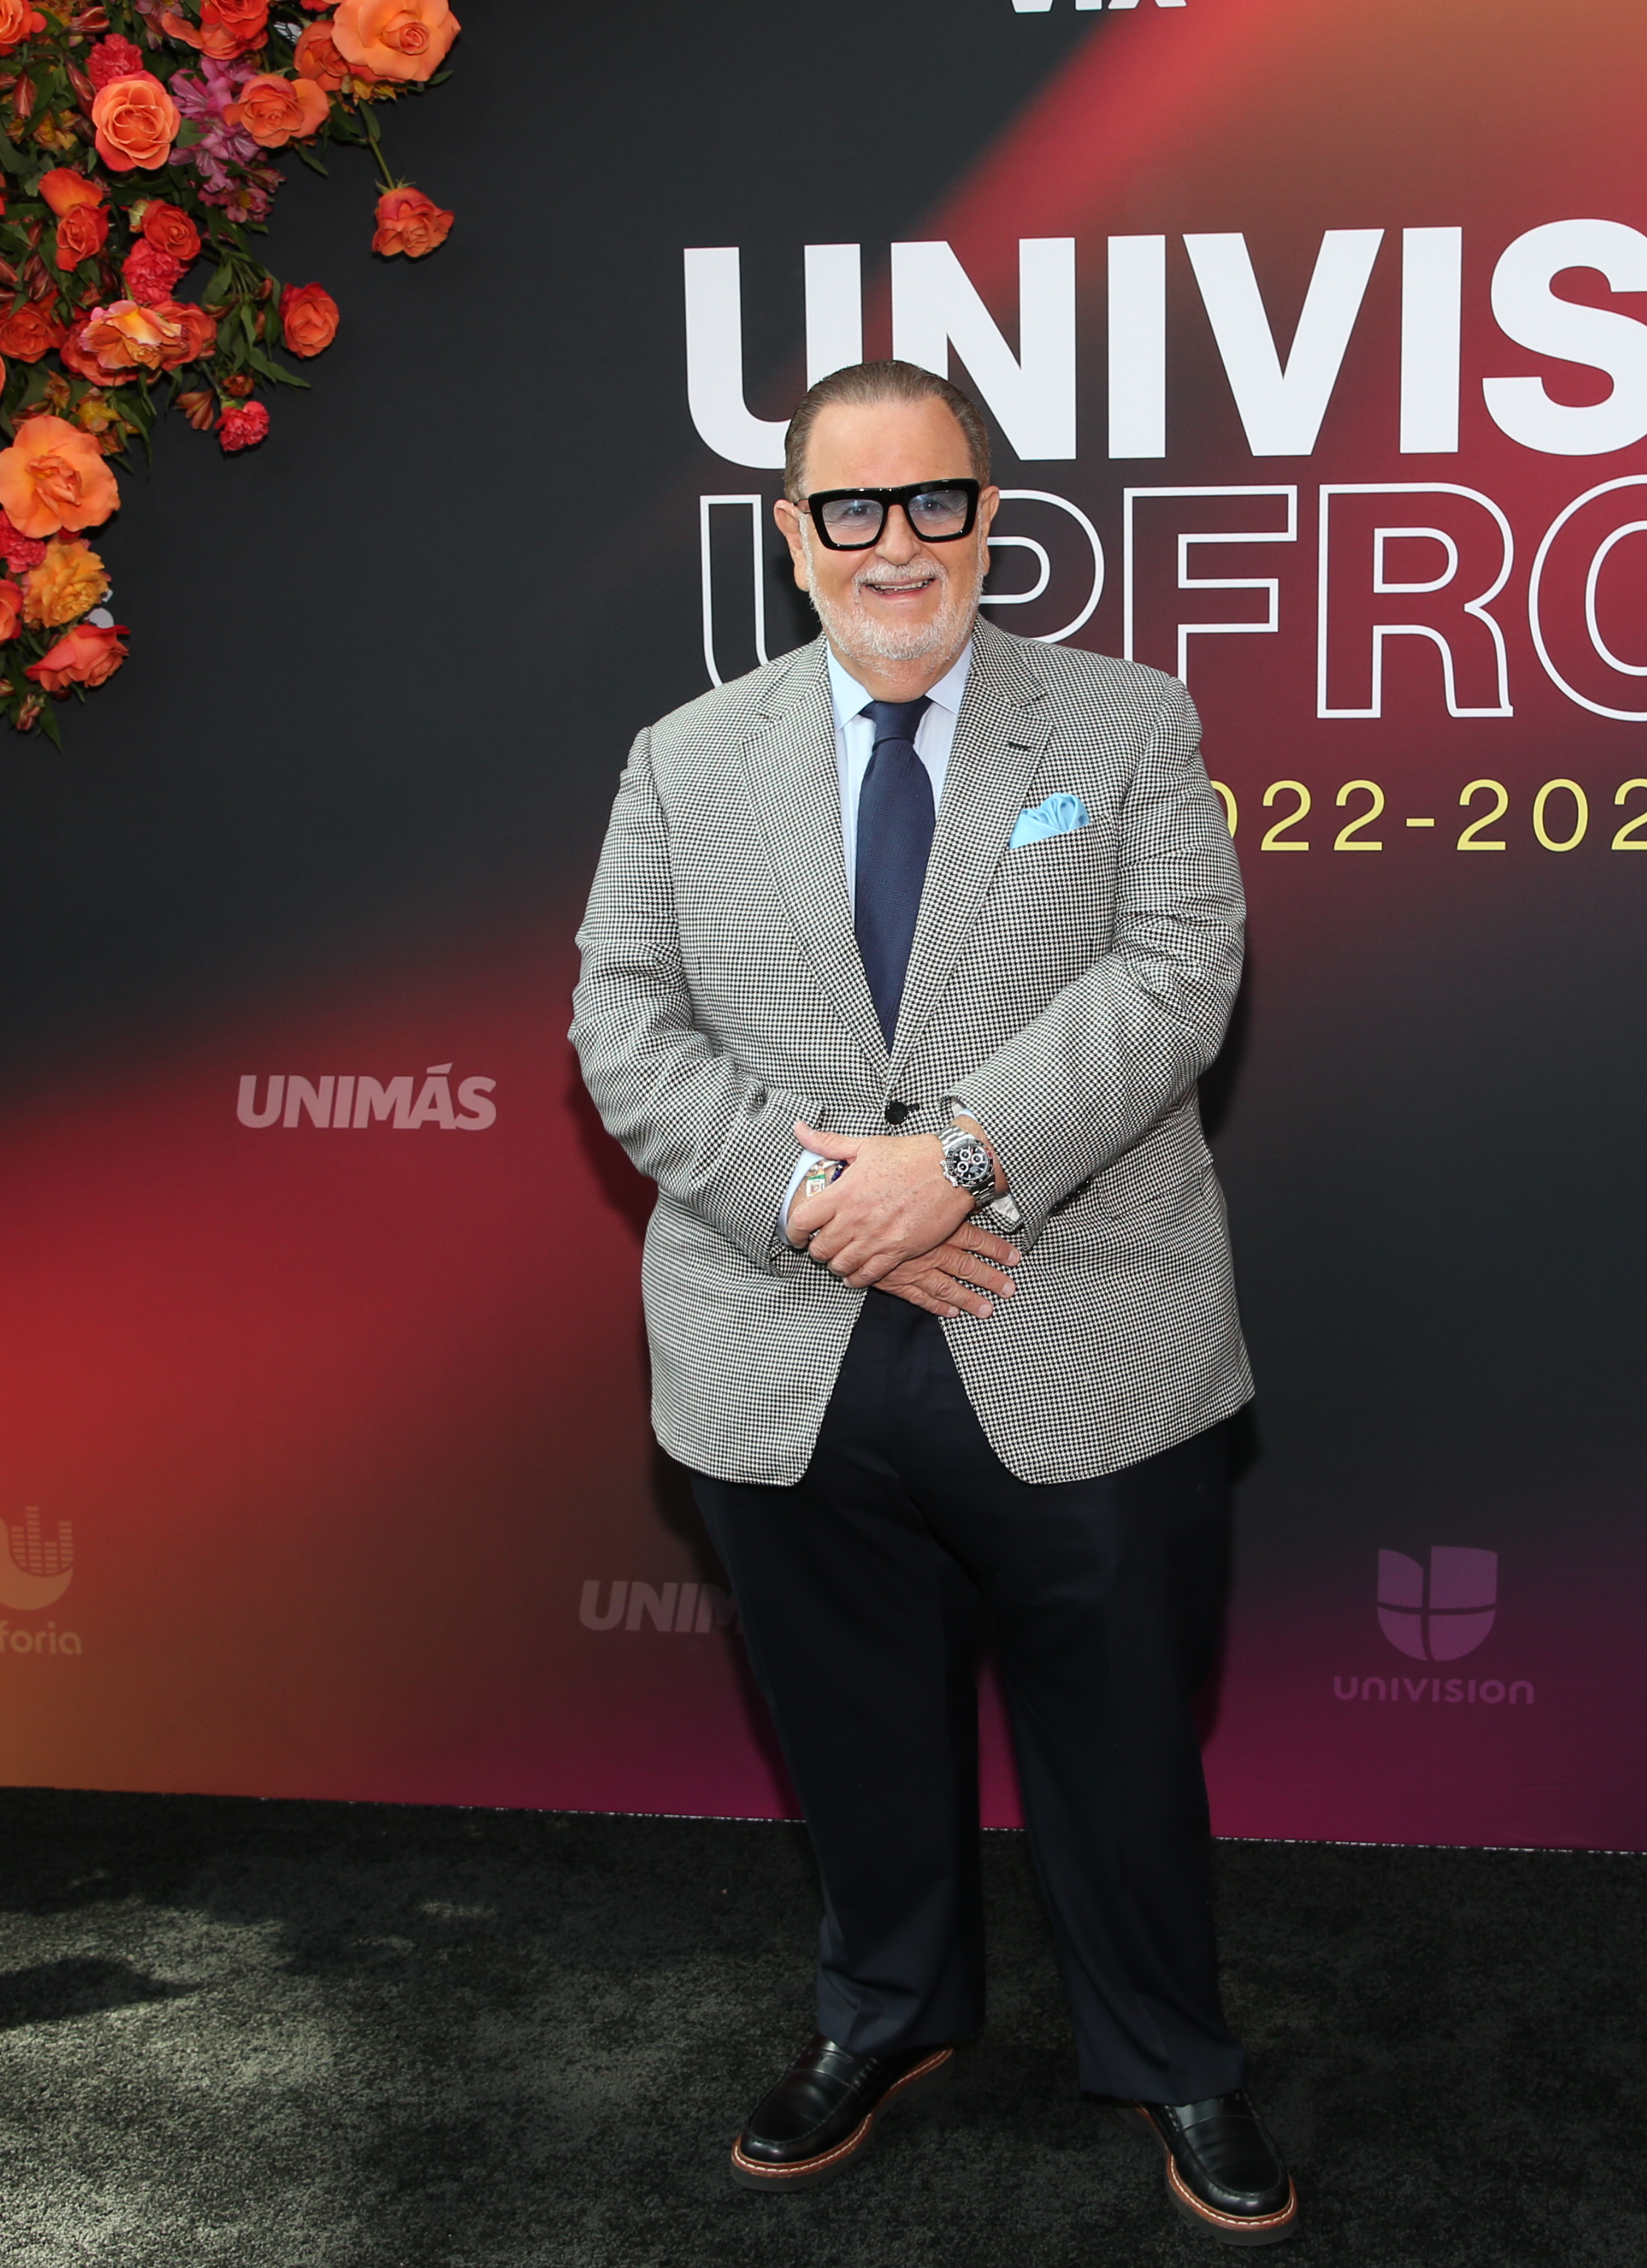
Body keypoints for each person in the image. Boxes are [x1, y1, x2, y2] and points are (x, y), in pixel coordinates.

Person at [569, 360, 1293, 2243]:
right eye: (856, 510)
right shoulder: (685, 755)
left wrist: (952, 1164)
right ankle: (884, 2017)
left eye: (938, 502)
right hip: (777, 1338)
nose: (901, 545)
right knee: (849, 1731)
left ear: (989, 513)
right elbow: (620, 1021)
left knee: (1125, 1743)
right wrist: (828, 1199)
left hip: (1083, 1326)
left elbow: (1177, 975)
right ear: (794, 533)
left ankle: (1174, 2054)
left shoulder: (1125, 721)